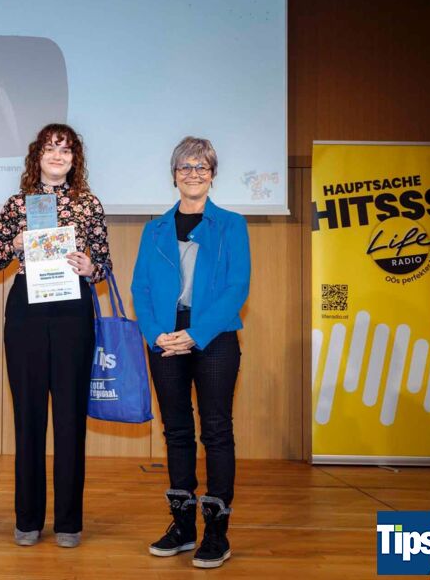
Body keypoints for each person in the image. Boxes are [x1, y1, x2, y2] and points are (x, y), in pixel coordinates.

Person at [0, 123, 112, 549]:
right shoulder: (17, 204)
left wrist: (91, 267)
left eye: (66, 150)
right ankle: (27, 519)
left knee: (70, 417)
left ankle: (69, 523)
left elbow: (105, 265)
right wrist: (16, 243)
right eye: (50, 149)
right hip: (27, 311)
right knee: (29, 416)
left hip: (73, 310)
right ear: (36, 156)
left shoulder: (89, 204)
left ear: (75, 159)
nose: (57, 156)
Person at [131, 136, 250, 569]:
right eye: (185, 167)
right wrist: (155, 334)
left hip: (214, 337)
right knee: (177, 431)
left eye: (201, 167)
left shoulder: (231, 225)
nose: (193, 173)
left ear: (212, 174)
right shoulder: (154, 229)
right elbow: (140, 288)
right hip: (165, 339)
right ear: (174, 175)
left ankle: (217, 532)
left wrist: (196, 334)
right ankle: (182, 528)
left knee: (216, 430)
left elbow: (237, 287)